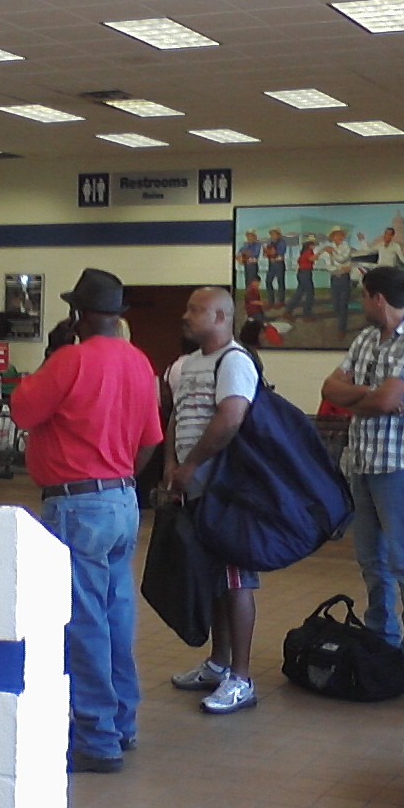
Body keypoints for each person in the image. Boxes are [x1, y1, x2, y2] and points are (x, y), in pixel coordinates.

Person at [9, 268, 163, 773]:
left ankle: (97, 737)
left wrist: (53, 357)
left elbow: (22, 411)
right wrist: (118, 479)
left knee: (84, 621)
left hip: (78, 504)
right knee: (117, 615)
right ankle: (124, 722)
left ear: (79, 314)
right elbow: (149, 441)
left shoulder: (70, 361)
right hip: (123, 500)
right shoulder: (141, 363)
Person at [319, 266, 404, 688]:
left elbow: (388, 396)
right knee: (371, 562)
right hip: (364, 462)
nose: (359, 303)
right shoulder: (368, 338)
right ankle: (380, 644)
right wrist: (372, 397)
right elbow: (329, 390)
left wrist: (371, 396)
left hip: (402, 465)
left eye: (362, 297)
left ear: (377, 299)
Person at [163, 287, 263, 715]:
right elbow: (177, 415)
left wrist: (194, 464)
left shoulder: (234, 361)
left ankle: (241, 677)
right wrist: (171, 464)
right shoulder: (190, 365)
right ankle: (218, 663)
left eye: (196, 309)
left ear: (222, 316)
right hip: (194, 485)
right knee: (215, 580)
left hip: (228, 490)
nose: (185, 315)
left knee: (236, 580)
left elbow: (231, 417)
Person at [315, 227, 357, 335]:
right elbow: (320, 260)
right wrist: (323, 251)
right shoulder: (329, 247)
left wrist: (332, 252)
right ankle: (340, 321)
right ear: (332, 237)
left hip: (344, 278)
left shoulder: (345, 246)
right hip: (334, 278)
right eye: (336, 235)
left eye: (341, 235)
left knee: (343, 304)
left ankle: (341, 329)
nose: (339, 237)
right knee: (336, 304)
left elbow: (342, 259)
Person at [287, 236, 319, 319]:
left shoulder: (304, 252)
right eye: (313, 244)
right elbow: (312, 259)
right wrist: (321, 252)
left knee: (299, 293)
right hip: (305, 273)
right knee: (310, 293)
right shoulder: (308, 252)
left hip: (302, 273)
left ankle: (288, 311)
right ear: (309, 245)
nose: (314, 246)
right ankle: (307, 314)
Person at [263, 227, 289, 307]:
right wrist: (268, 253)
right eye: (271, 234)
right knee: (268, 281)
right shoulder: (270, 243)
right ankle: (271, 301)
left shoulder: (282, 242)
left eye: (274, 234)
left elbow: (279, 253)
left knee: (280, 282)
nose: (272, 236)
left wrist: (270, 253)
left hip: (279, 264)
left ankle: (281, 301)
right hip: (271, 264)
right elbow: (266, 254)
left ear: (278, 235)